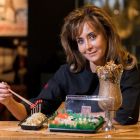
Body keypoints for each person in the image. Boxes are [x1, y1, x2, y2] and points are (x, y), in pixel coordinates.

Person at [0, 5, 139, 125]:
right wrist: (9, 102)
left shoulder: (128, 68)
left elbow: (125, 116)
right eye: (80, 41)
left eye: (92, 36)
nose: (88, 46)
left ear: (107, 34)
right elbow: (31, 112)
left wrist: (70, 118)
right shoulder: (68, 73)